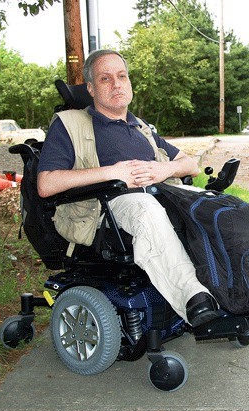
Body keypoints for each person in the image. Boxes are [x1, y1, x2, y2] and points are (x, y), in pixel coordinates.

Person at [37, 49, 218, 327]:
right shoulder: (69, 124)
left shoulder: (141, 127)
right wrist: (113, 173)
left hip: (161, 194)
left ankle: (230, 287)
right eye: (105, 78)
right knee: (145, 208)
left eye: (122, 76)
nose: (117, 84)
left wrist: (165, 169)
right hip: (106, 207)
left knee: (213, 201)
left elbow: (190, 165)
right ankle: (193, 297)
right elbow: (46, 184)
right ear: (91, 89)